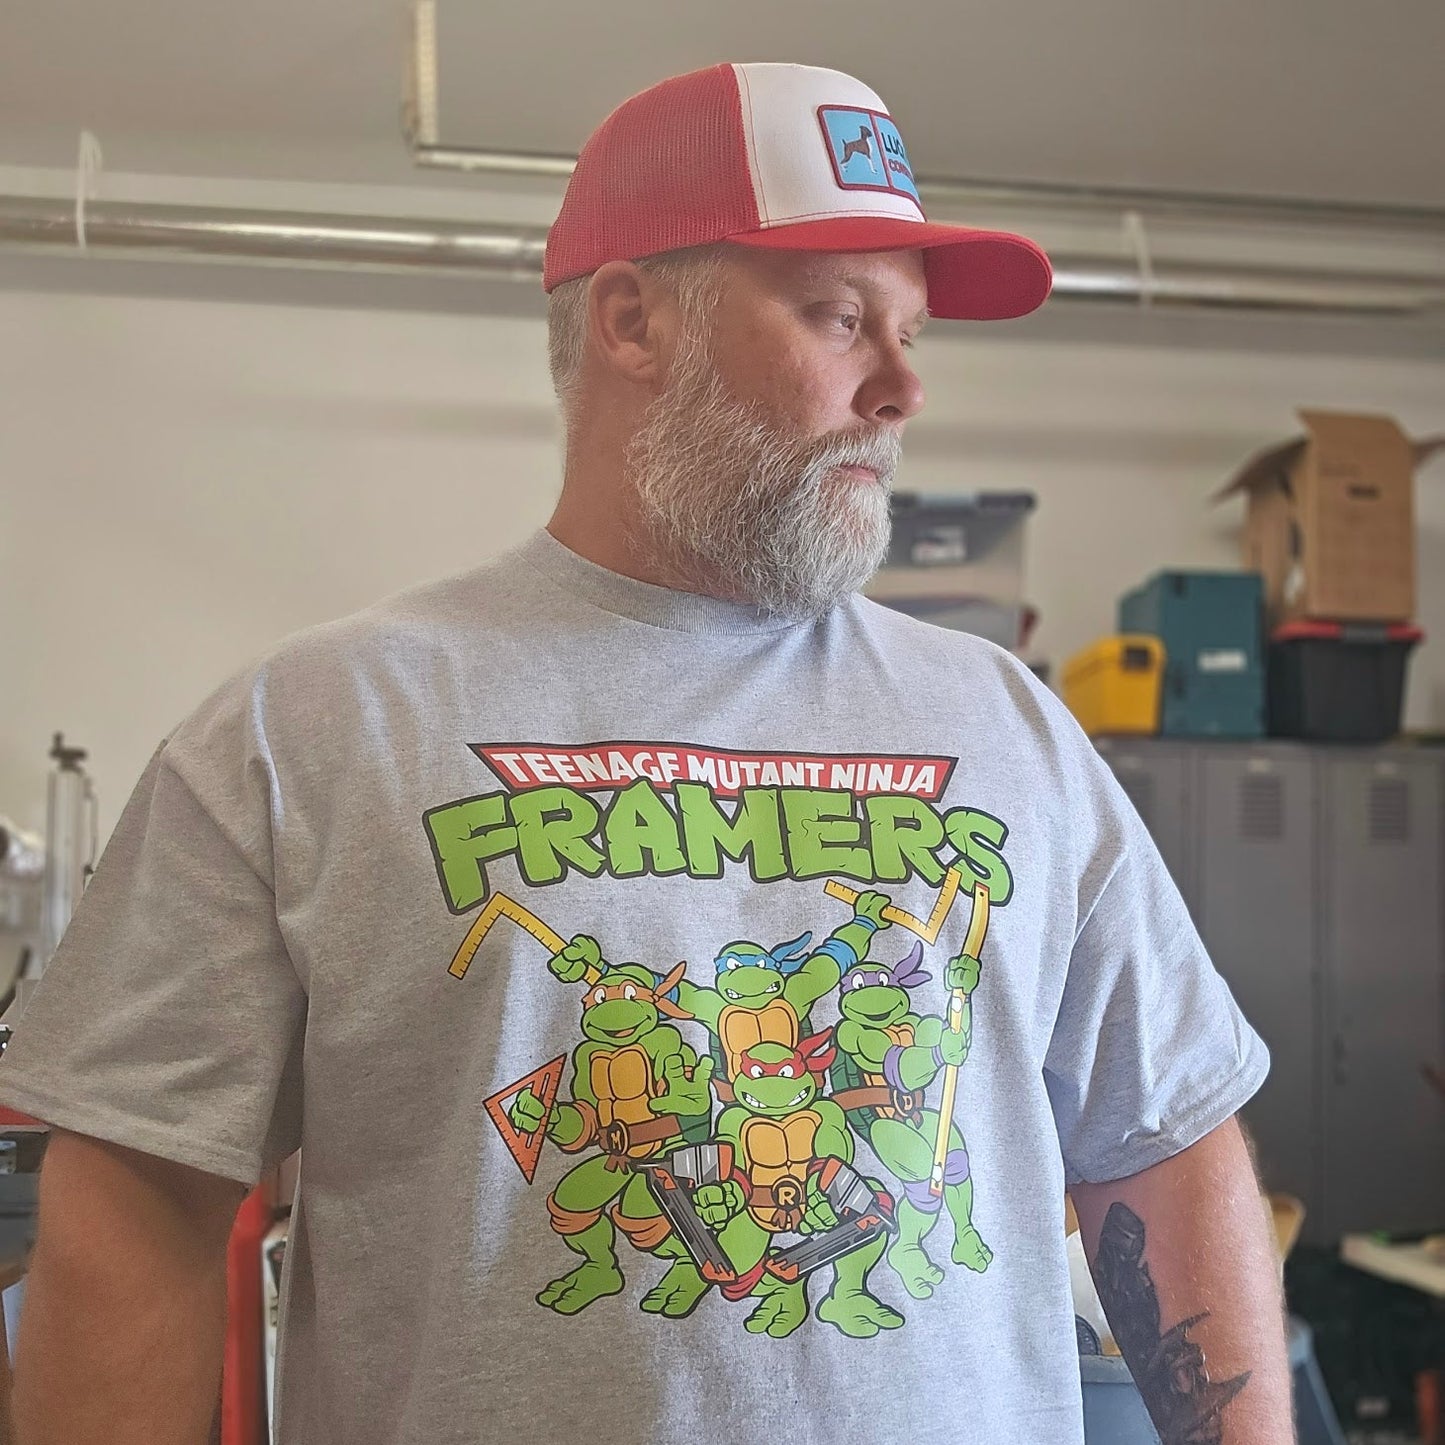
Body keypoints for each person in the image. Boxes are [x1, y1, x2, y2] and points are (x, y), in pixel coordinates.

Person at [0, 62, 1293, 1445]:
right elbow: (135, 1208)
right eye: (840, 315)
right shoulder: (315, 724)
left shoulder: (1010, 725)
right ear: (630, 319)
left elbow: (1160, 1145)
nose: (902, 387)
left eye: (912, 331)